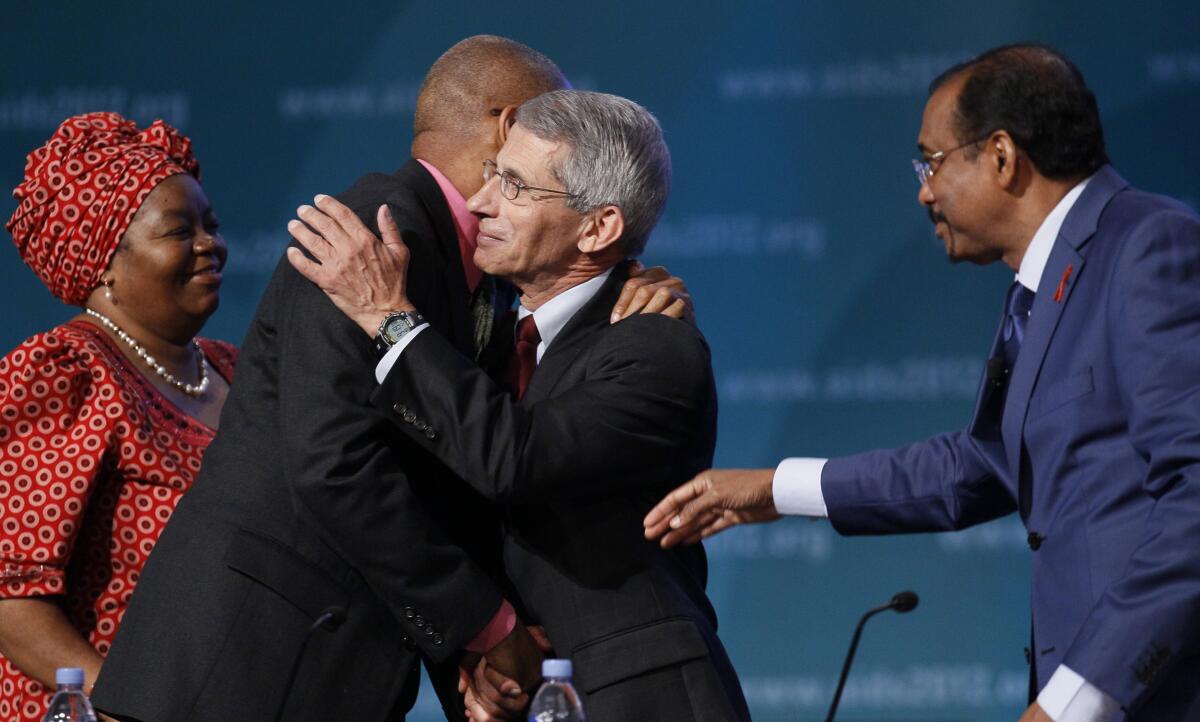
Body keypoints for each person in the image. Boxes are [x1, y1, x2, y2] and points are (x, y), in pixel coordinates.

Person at [91, 37, 690, 722]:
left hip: (325, 665)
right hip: (239, 666)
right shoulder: (375, 231)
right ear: (511, 126)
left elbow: (461, 464)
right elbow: (333, 463)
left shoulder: (484, 274)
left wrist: (625, 286)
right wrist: (487, 629)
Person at [644, 44, 1200, 722]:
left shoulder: (1148, 244)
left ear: (1001, 155)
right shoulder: (1038, 290)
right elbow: (980, 465)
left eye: (932, 161)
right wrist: (772, 489)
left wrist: (1077, 700)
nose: (924, 190)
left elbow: (1194, 497)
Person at [289, 88, 750, 722]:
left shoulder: (654, 347)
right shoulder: (496, 342)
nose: (480, 204)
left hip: (643, 695)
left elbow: (518, 457)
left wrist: (390, 319)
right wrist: (481, 655)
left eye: (515, 186)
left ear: (599, 226)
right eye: (491, 176)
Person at [0, 112, 236, 722]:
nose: (210, 244)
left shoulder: (236, 370)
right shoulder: (65, 373)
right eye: (178, 232)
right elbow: (11, 598)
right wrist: (128, 706)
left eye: (209, 225)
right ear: (103, 260)